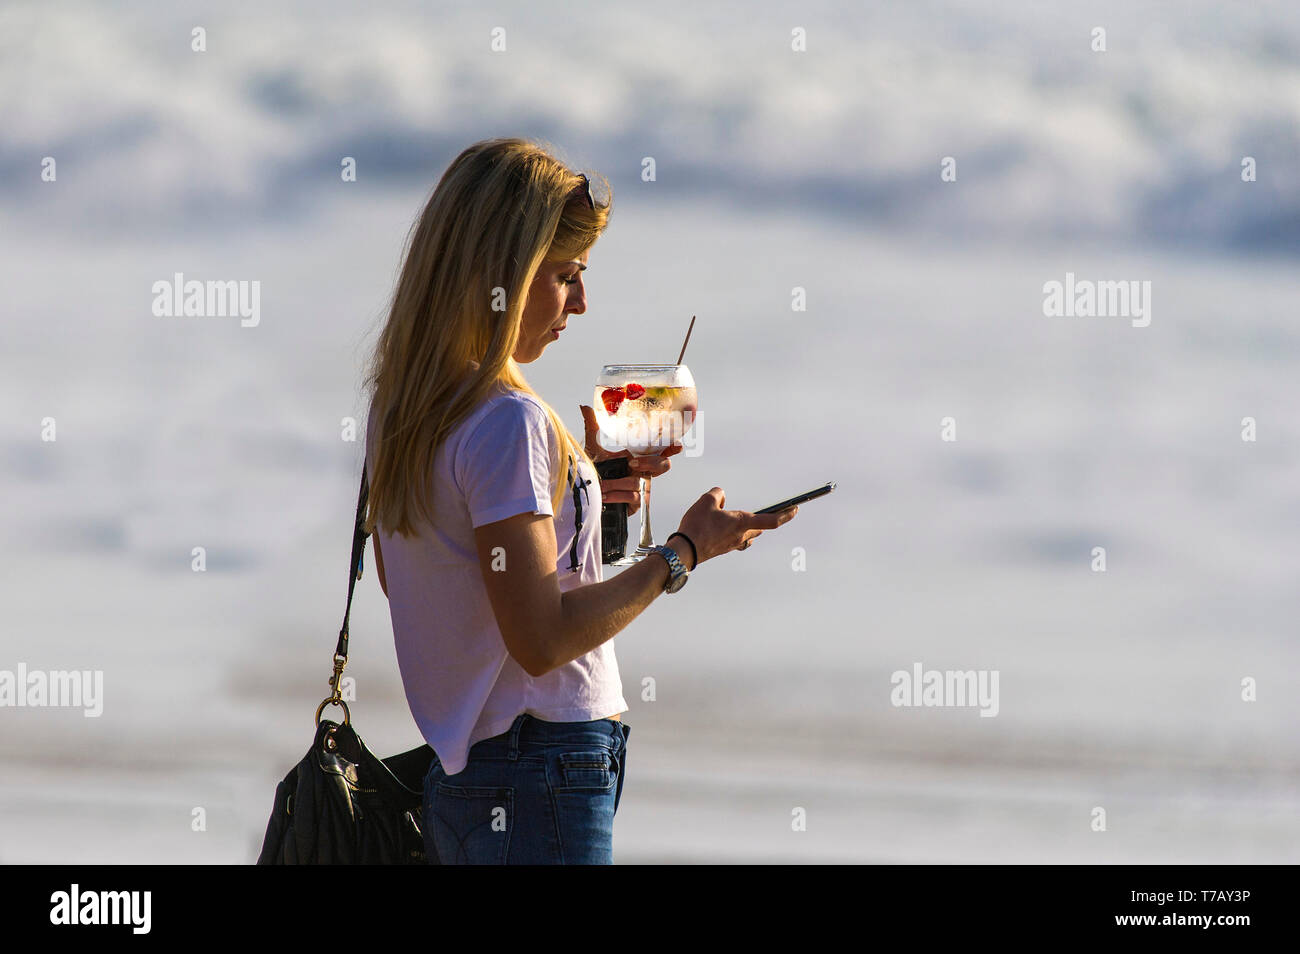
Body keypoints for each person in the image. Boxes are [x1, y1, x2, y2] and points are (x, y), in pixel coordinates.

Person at [360, 137, 799, 865]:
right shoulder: (509, 421)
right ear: (497, 275)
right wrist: (684, 552)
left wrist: (578, 486)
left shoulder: (404, 406)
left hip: (466, 772)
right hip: (541, 766)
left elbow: (426, 579)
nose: (583, 303)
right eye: (566, 276)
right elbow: (541, 641)